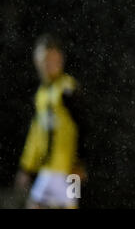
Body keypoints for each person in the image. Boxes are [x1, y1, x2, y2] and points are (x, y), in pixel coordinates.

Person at [15, 34, 87, 209]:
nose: (49, 64)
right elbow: (37, 134)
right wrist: (27, 167)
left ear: (61, 60)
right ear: (37, 61)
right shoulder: (42, 94)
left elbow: (85, 125)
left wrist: (81, 162)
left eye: (53, 59)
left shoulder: (68, 89)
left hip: (69, 169)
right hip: (48, 169)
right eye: (45, 59)